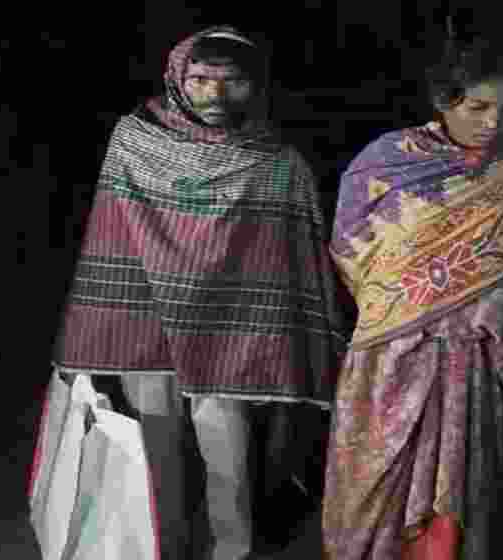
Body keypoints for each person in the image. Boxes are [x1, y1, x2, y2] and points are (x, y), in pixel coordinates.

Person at [50, 26, 347, 560]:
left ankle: (232, 551)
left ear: (256, 87)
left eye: (232, 82)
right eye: (201, 79)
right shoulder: (134, 141)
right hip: (145, 319)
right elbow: (109, 233)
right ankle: (159, 547)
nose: (214, 95)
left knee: (228, 454)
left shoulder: (277, 161)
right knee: (151, 450)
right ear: (176, 79)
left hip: (226, 328)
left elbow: (286, 261)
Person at [321, 40, 503, 559]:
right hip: (395, 346)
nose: (494, 123)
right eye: (477, 107)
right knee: (378, 467)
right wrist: (413, 301)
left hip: (474, 353)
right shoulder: (388, 160)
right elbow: (351, 245)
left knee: (459, 476)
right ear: (444, 102)